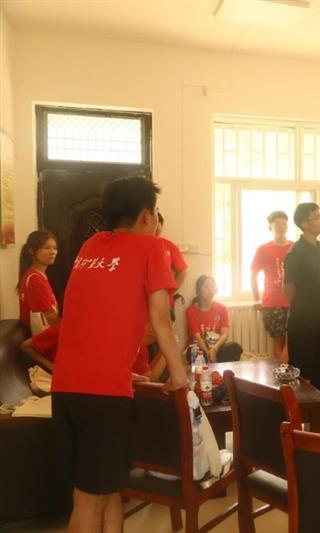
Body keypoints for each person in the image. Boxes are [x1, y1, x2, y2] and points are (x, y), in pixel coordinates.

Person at [50, 176, 189, 533]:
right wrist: (179, 375)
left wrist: (119, 367)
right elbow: (161, 319)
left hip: (66, 389)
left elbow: (92, 315)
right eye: (155, 213)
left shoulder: (90, 246)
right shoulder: (151, 247)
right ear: (147, 216)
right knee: (88, 501)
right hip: (102, 396)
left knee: (109, 489)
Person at [283, 202, 320, 397]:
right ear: (304, 224)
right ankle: (300, 406)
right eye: (317, 217)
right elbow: (288, 288)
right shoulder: (296, 252)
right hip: (302, 320)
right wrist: (303, 308)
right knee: (301, 367)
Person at [251, 210, 293, 363]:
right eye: (277, 223)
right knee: (278, 341)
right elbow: (253, 275)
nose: (281, 226)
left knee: (293, 340)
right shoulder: (263, 249)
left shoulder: (295, 247)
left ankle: (288, 372)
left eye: (284, 223)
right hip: (272, 302)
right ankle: (282, 374)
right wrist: (256, 299)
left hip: (293, 301)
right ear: (270, 227)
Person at [185, 275, 242, 363]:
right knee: (192, 352)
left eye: (212, 286)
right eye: (206, 287)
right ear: (199, 290)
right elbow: (197, 338)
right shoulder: (191, 311)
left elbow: (225, 334)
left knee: (235, 347)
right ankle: (213, 363)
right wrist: (208, 353)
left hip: (217, 348)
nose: (210, 290)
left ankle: (216, 366)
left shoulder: (222, 308)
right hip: (200, 348)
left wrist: (214, 349)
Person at [17, 230, 60, 334]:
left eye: (55, 248)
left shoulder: (35, 274)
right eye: (47, 248)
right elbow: (50, 319)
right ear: (32, 251)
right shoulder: (35, 280)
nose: (53, 252)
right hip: (41, 336)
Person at [155, 212, 188, 321]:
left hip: (165, 301)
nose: (157, 227)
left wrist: (172, 289)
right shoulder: (139, 245)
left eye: (159, 223)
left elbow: (183, 269)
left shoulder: (168, 245)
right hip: (143, 302)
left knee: (165, 328)